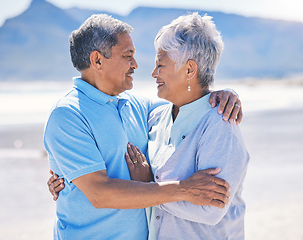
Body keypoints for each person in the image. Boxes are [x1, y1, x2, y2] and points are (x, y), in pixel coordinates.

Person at [44, 14, 242, 240]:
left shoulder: (137, 106)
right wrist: (182, 189)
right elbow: (99, 193)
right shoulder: (68, 114)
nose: (136, 65)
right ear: (97, 60)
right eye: (128, 56)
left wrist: (225, 95)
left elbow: (190, 102)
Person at [124, 13, 249, 239]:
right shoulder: (157, 117)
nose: (154, 73)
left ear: (190, 69)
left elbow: (210, 209)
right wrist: (64, 177)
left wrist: (147, 187)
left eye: (160, 65)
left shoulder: (220, 124)